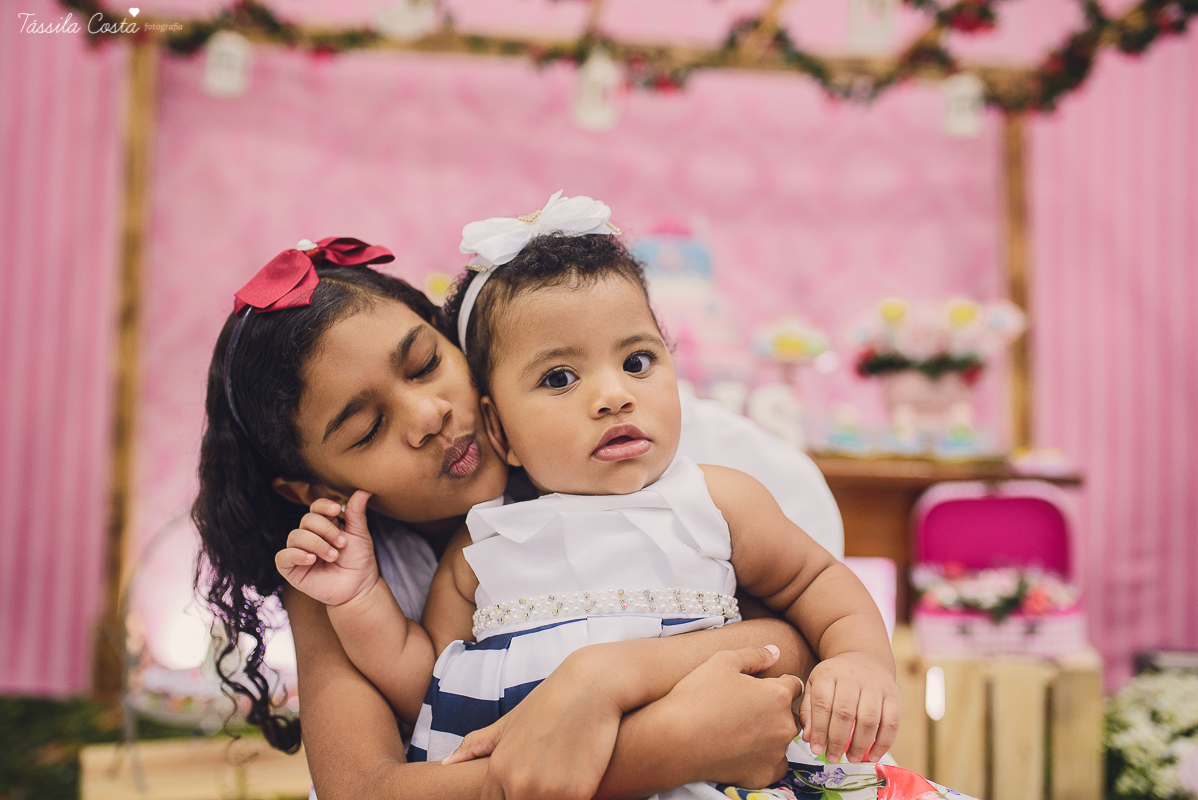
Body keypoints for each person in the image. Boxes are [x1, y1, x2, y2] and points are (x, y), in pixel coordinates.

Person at [275, 198, 899, 800]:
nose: (614, 395)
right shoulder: (482, 545)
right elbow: (428, 682)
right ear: (499, 429)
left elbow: (815, 584)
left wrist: (861, 660)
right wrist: (360, 598)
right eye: (560, 378)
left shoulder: (715, 498)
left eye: (638, 361)